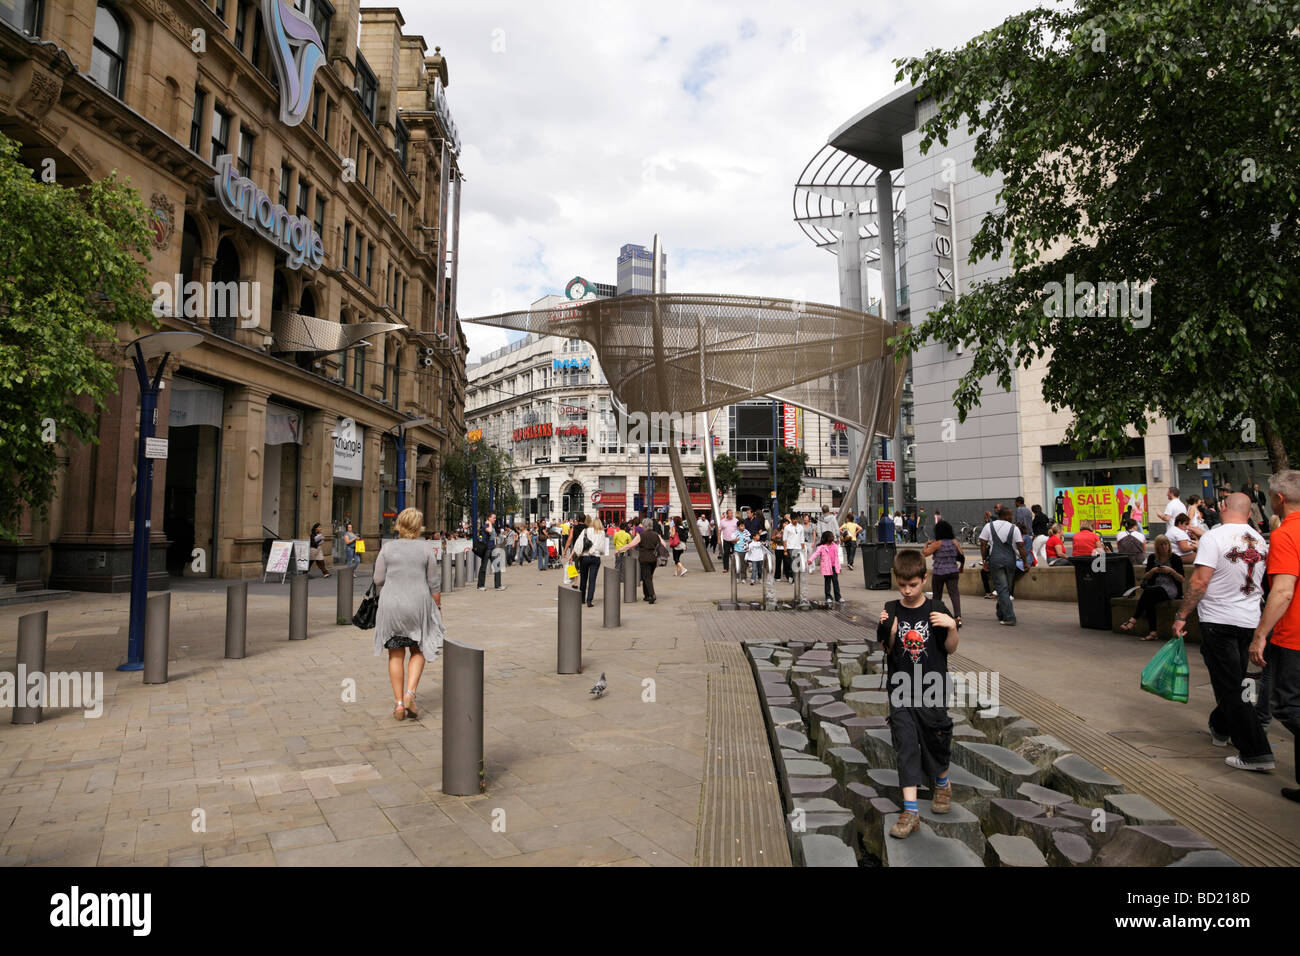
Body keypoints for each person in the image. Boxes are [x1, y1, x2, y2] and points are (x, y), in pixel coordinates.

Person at [1172, 493, 1273, 771]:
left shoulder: (1213, 538)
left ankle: (1256, 752)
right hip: (1249, 621)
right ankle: (1220, 726)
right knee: (1236, 681)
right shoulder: (1258, 539)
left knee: (1231, 687)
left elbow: (1200, 580)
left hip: (1219, 621)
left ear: (1224, 507)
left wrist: (1182, 615)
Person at [878, 548, 958, 838]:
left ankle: (942, 782)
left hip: (933, 688)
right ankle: (911, 811)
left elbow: (950, 648)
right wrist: (889, 629)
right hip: (900, 690)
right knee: (907, 744)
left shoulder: (937, 609)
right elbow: (885, 649)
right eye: (902, 585)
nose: (907, 590)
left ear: (925, 578)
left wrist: (951, 627)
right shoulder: (892, 608)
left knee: (935, 739)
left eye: (913, 585)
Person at [372, 508, 444, 721]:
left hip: (392, 605)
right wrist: (437, 608)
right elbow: (434, 583)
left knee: (395, 653)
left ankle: (399, 704)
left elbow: (377, 579)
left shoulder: (387, 548)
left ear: (399, 525)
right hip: (417, 604)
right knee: (418, 649)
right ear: (418, 527)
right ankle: (410, 693)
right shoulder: (425, 549)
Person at [1119, 534, 1185, 641]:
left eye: (1166, 544)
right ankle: (1153, 632)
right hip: (1156, 587)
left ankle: (1133, 619)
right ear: (1157, 547)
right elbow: (1145, 577)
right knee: (1149, 600)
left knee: (1149, 594)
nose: (1164, 547)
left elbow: (1182, 579)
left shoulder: (1175, 558)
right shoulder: (1152, 558)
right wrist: (1153, 571)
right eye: (1161, 545)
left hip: (1171, 588)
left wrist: (1171, 571)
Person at [980, 507, 1027, 626]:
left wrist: (984, 560)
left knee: (1002, 588)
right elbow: (1020, 546)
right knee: (1006, 588)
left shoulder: (989, 526)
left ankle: (1006, 615)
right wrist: (1025, 562)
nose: (1012, 517)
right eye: (1010, 515)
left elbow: (983, 544)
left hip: (995, 560)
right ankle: (1008, 615)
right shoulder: (1014, 528)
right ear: (1005, 516)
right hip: (1010, 560)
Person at [923, 519, 965, 629]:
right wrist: (961, 568)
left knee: (937, 595)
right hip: (953, 571)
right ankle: (958, 617)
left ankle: (936, 616)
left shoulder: (937, 544)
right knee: (955, 594)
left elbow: (925, 554)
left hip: (939, 572)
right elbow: (961, 555)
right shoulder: (954, 542)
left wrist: (926, 544)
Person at [618, 520, 664, 604]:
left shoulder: (641, 535)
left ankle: (652, 595)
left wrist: (620, 549)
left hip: (644, 558)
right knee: (648, 577)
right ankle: (646, 596)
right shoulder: (656, 535)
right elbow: (663, 544)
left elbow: (631, 545)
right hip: (654, 559)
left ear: (644, 526)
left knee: (646, 577)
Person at [575, 516, 606, 608]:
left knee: (583, 578)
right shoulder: (601, 533)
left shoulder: (585, 531)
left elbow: (579, 543)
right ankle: (589, 600)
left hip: (584, 556)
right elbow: (602, 548)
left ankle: (582, 599)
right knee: (592, 580)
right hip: (595, 557)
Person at [813, 530, 842, 605]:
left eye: (833, 536)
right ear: (827, 538)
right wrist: (810, 560)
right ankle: (828, 596)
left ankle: (838, 597)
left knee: (836, 582)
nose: (832, 537)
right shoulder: (821, 547)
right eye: (831, 536)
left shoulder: (834, 545)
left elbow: (837, 557)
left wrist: (839, 566)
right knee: (827, 582)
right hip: (826, 567)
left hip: (834, 567)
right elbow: (816, 554)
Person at [476, 512, 501, 590]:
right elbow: (489, 531)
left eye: (495, 518)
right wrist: (489, 523)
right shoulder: (485, 526)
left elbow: (493, 534)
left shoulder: (492, 526)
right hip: (486, 548)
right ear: (489, 518)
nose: (495, 519)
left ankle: (498, 585)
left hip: (492, 548)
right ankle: (480, 585)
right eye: (493, 518)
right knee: (483, 567)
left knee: (497, 566)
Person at [719, 509, 739, 573]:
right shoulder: (722, 521)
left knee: (735, 554)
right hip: (726, 540)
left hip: (735, 540)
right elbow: (719, 530)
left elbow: (740, 529)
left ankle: (736, 567)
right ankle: (725, 568)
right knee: (726, 554)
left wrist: (738, 538)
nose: (731, 514)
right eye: (729, 513)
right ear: (727, 514)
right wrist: (719, 539)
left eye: (732, 513)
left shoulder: (736, 520)